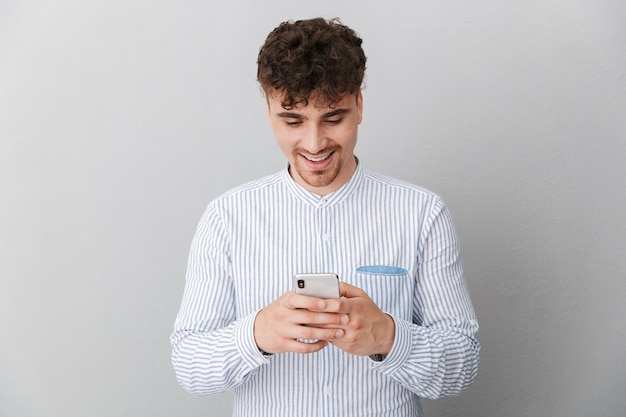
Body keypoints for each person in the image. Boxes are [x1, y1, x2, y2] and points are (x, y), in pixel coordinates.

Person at [171, 17, 480, 417]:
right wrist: (257, 334)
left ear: (360, 106)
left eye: (333, 118)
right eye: (293, 121)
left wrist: (387, 336)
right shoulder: (226, 218)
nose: (314, 144)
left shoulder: (422, 214)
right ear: (268, 111)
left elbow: (463, 367)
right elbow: (189, 367)